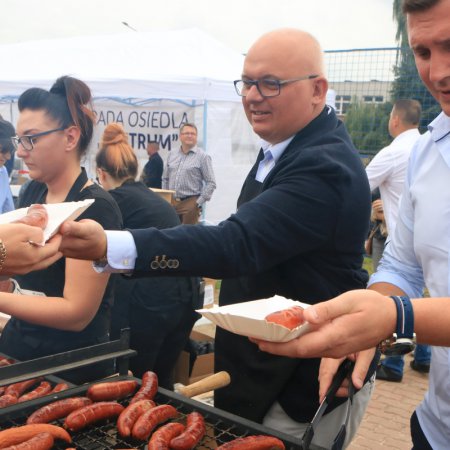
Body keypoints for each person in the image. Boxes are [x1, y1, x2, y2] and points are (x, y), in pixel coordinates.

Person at [58, 28, 376, 449]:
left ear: (317, 90)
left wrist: (112, 245)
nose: (252, 96)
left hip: (298, 382)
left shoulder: (324, 165)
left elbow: (237, 243)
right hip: (257, 366)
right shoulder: (283, 146)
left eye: (271, 84)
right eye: (246, 82)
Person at [254, 1, 450, 448]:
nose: (438, 72)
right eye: (422, 52)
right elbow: (401, 267)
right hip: (436, 427)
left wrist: (394, 317)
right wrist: (373, 313)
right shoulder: (426, 151)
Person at [5, 76, 123, 384]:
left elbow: (76, 313)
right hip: (19, 353)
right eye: (19, 140)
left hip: (69, 369)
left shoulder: (95, 207)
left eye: (31, 139)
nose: (21, 151)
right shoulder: (32, 192)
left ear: (70, 138)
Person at [96, 123, 200, 388]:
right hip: (184, 296)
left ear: (101, 174)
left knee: (134, 385)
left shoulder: (109, 201)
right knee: (161, 383)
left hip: (150, 302)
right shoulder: (152, 197)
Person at [366, 98, 431, 381]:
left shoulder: (393, 152)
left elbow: (359, 184)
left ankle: (392, 365)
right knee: (431, 295)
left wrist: (372, 209)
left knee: (396, 300)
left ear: (395, 119)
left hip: (398, 238)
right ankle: (425, 357)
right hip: (428, 239)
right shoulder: (426, 147)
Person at [162, 123, 216, 224]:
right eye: (187, 133)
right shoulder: (171, 154)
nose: (190, 135)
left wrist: (198, 203)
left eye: (193, 134)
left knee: (187, 237)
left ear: (196, 137)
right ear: (180, 136)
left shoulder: (203, 157)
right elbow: (165, 178)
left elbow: (211, 183)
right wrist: (166, 198)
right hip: (171, 203)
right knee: (170, 234)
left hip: (190, 203)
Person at [0, 119, 15, 213]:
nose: (8, 157)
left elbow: (9, 212)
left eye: (11, 151)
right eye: (3, 150)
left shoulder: (3, 172)